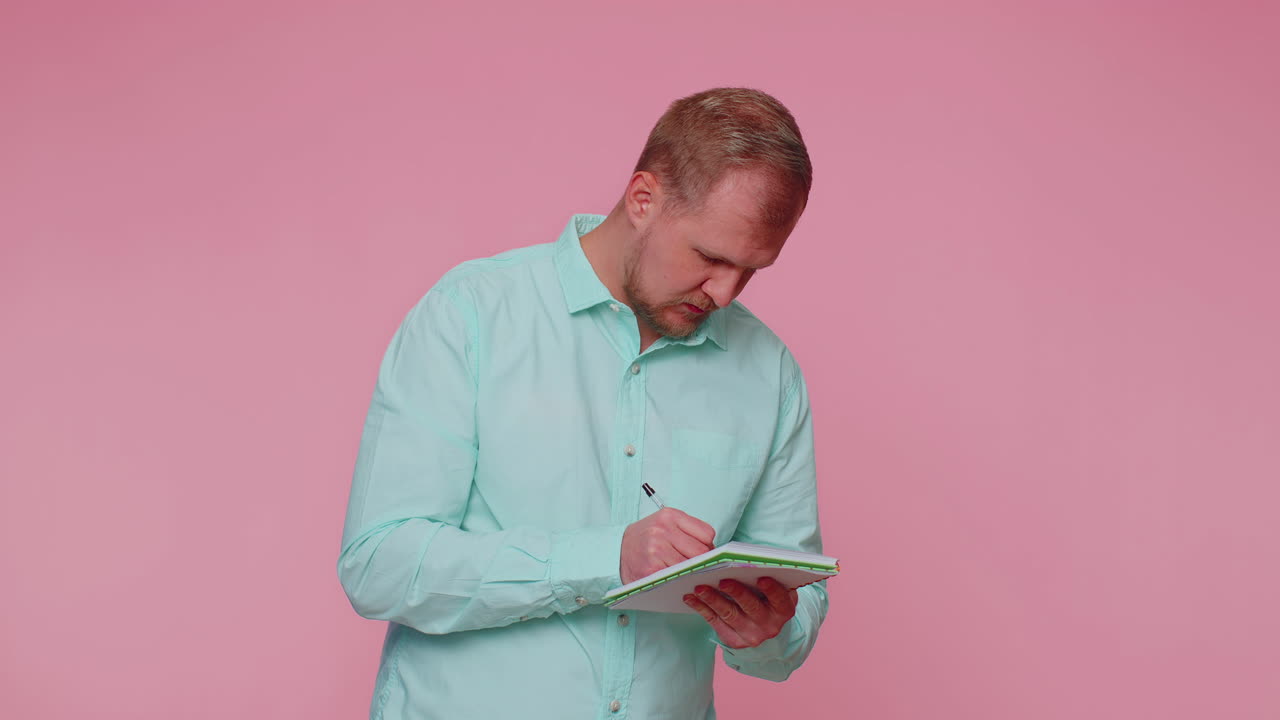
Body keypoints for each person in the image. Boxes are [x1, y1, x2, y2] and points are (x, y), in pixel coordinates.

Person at [338, 87, 828, 719]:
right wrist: (605, 558)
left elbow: (797, 608)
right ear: (643, 198)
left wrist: (769, 633)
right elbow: (379, 564)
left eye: (752, 270)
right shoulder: (471, 316)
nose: (726, 293)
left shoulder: (769, 372)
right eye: (711, 257)